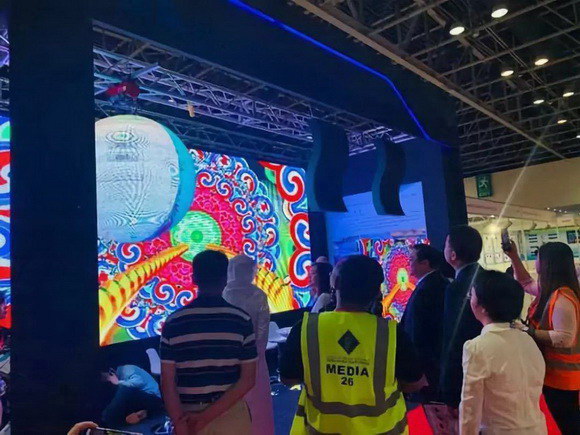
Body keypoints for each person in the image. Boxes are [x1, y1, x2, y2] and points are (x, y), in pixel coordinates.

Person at [280, 255, 425, 434]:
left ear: (335, 283)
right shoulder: (391, 333)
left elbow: (288, 379)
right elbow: (415, 383)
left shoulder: (306, 328)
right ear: (377, 291)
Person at [160, 250, 257, 435]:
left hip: (187, 417)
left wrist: (179, 422)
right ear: (225, 278)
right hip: (231, 416)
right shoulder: (241, 320)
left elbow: (167, 381)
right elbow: (248, 379)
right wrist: (206, 417)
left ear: (194, 278)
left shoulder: (174, 322)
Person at [460, 270, 546, 435]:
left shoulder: (477, 347)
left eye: (472, 296)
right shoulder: (527, 340)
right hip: (537, 428)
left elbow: (470, 406)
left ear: (484, 308)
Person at [506, 241, 579, 434]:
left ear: (548, 262)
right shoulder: (550, 291)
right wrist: (514, 257)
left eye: (538, 256)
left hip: (565, 379)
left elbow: (565, 338)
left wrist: (529, 331)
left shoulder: (562, 298)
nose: (536, 260)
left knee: (569, 424)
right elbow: (525, 283)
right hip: (555, 376)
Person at [223, 255, 274, 435]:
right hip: (254, 357)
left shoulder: (223, 294)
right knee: (257, 403)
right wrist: (256, 354)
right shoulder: (258, 295)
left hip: (227, 360)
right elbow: (262, 331)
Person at [440, 225, 483, 432]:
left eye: (446, 245)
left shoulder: (456, 288)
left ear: (453, 255)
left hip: (466, 373)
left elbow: (454, 338)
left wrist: (449, 390)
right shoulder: (489, 279)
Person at [400, 244, 447, 406]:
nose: (409, 263)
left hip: (427, 369)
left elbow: (417, 332)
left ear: (425, 263)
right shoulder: (438, 283)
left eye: (412, 259)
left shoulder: (426, 290)